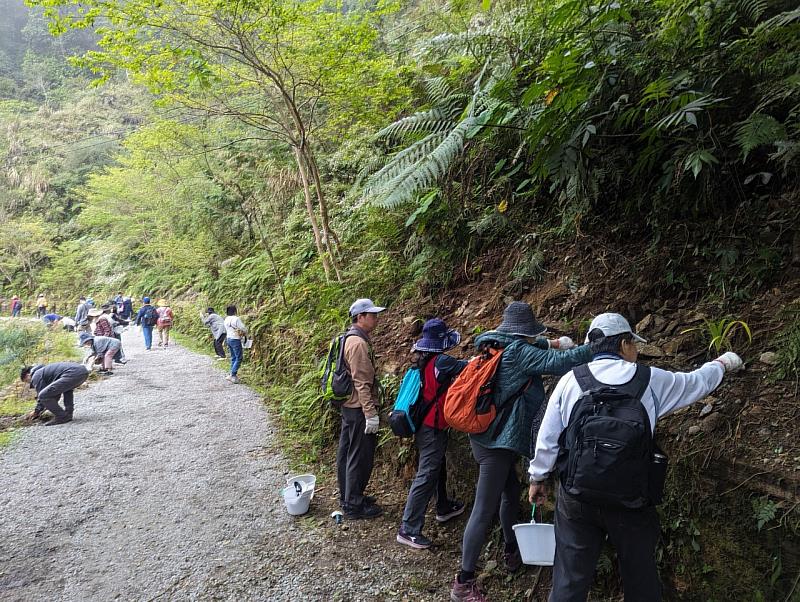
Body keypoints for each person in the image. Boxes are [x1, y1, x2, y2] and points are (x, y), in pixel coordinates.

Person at [528, 313, 744, 602]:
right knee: (640, 575)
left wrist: (538, 477)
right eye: (634, 344)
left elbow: (547, 439)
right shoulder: (650, 379)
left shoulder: (571, 380)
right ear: (625, 344)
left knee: (569, 580)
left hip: (577, 496)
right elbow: (696, 383)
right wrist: (722, 363)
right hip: (630, 497)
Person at [451, 301, 591, 602]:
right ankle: (463, 582)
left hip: (484, 436)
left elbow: (536, 346)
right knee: (483, 507)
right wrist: (598, 346)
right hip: (496, 444)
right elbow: (561, 363)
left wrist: (550, 341)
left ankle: (511, 550)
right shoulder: (520, 353)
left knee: (509, 493)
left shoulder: (492, 343)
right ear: (524, 332)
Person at [397, 318, 468, 549]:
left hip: (423, 425)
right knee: (426, 474)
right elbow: (471, 367)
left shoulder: (422, 358)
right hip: (433, 427)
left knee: (437, 468)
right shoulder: (443, 361)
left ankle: (443, 507)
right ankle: (408, 529)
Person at [337, 298, 386, 520]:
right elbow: (362, 382)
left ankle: (349, 497)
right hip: (359, 408)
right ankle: (354, 505)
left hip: (348, 405)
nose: (376, 318)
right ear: (360, 317)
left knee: (347, 452)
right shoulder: (358, 343)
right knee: (359, 456)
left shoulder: (347, 338)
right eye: (372, 315)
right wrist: (371, 414)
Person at [20, 361, 90, 426]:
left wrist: (36, 411)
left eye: (27, 381)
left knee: (43, 396)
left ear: (27, 375)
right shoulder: (45, 371)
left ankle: (62, 416)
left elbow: (42, 395)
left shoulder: (36, 375)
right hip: (82, 372)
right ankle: (68, 414)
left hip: (72, 373)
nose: (29, 382)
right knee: (67, 390)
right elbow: (54, 395)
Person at [223, 305, 247, 383]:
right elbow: (243, 328)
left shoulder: (226, 319)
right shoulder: (236, 319)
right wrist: (246, 332)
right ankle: (233, 375)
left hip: (228, 339)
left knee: (233, 357)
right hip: (235, 339)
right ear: (235, 311)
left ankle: (231, 374)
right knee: (239, 358)